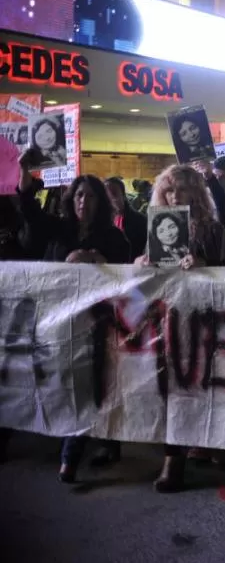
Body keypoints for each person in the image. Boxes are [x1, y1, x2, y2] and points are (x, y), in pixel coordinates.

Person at [17, 157, 131, 482]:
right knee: (72, 385)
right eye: (79, 195)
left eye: (91, 196)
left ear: (100, 202)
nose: (84, 201)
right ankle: (100, 442)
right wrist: (26, 173)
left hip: (98, 325)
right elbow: (29, 213)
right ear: (71, 199)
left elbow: (127, 275)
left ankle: (71, 456)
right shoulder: (59, 228)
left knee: (89, 384)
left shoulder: (113, 237)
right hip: (58, 322)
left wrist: (95, 258)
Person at [133, 164, 225, 493]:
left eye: (181, 189)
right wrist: (141, 263)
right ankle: (173, 459)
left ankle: (211, 440)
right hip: (168, 318)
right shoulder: (158, 227)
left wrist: (206, 267)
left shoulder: (214, 229)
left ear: (196, 192)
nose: (175, 196)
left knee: (206, 384)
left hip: (206, 320)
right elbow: (145, 273)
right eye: (169, 189)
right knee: (172, 386)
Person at [105, 177, 147, 261]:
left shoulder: (140, 221)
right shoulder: (102, 222)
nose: (110, 200)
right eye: (106, 196)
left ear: (123, 196)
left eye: (114, 194)